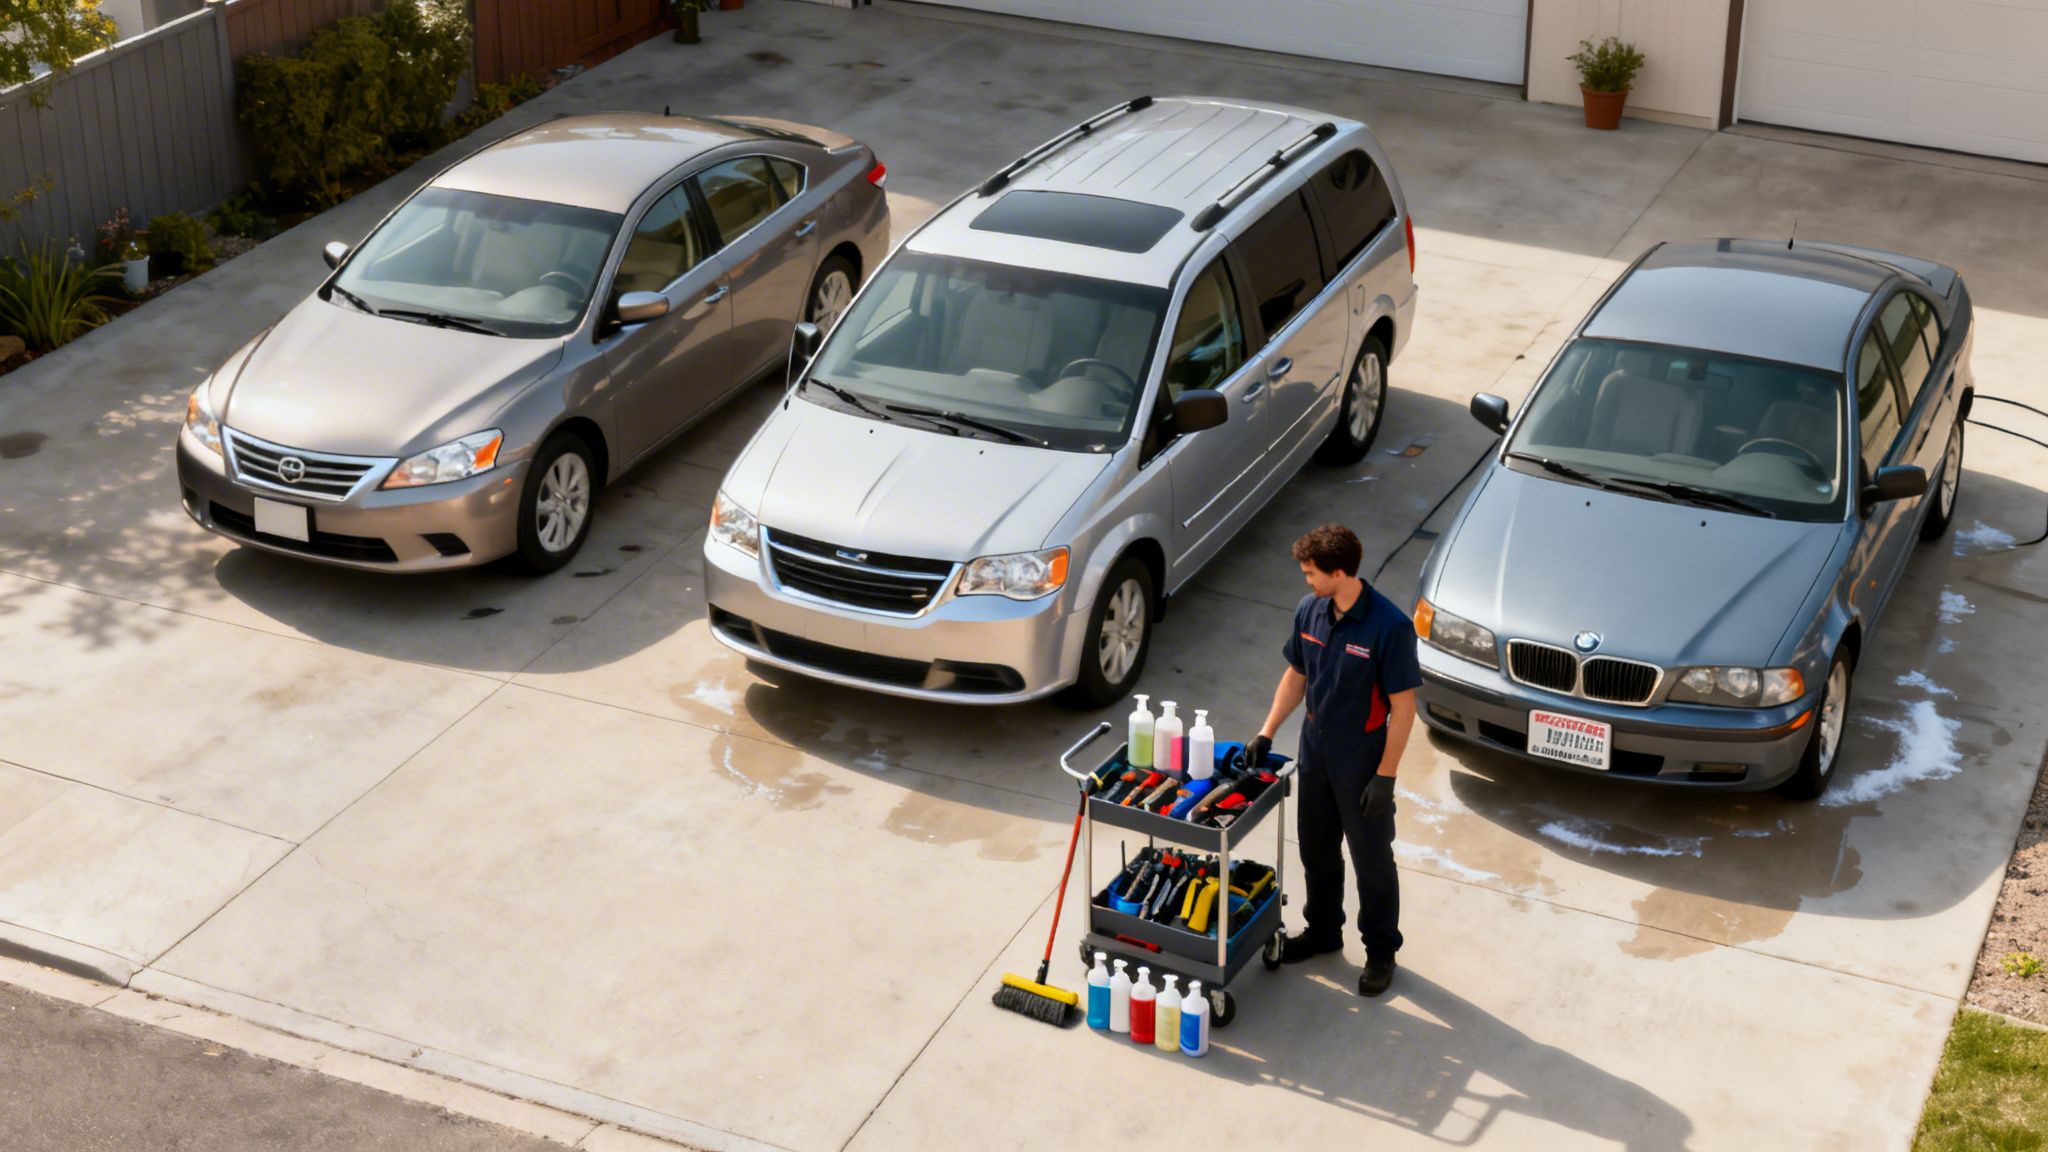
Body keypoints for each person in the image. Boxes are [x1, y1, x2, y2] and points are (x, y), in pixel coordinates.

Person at [1243, 523, 1420, 997]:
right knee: (1316, 848)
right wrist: (1267, 730)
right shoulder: (1311, 610)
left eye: (1311, 573)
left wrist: (1386, 776)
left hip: (1362, 756)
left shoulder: (1390, 627)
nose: (1306, 581)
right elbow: (1296, 674)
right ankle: (1323, 931)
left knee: (1372, 860)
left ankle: (1381, 951)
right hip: (1314, 746)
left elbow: (1404, 708)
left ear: (1339, 572)